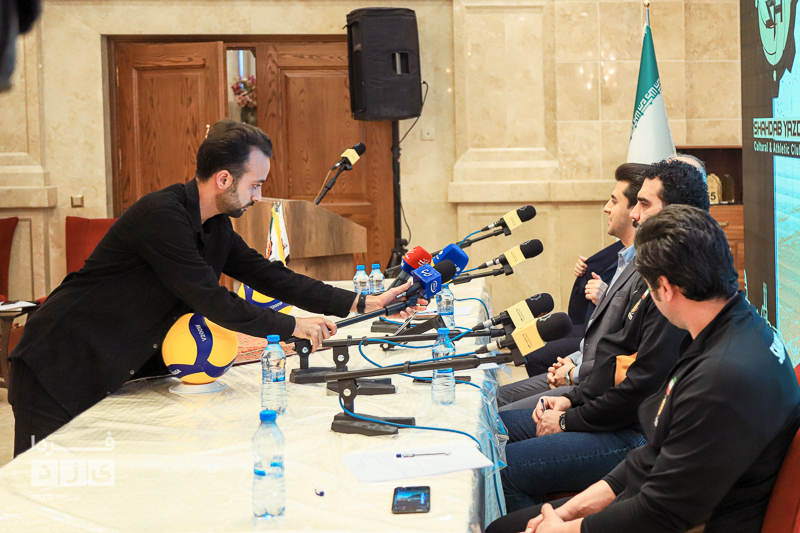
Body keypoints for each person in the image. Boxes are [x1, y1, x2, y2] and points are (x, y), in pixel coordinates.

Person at [8, 119, 424, 457]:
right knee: (43, 492)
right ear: (224, 178)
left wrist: (363, 301)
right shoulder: (162, 216)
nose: (258, 196)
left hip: (110, 363)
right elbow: (210, 298)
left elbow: (270, 276)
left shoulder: (216, 226)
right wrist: (292, 326)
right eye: (255, 185)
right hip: (59, 362)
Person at [487, 205, 800, 533]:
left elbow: (660, 513)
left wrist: (567, 529)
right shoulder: (740, 323)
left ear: (663, 288)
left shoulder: (719, 377)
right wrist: (571, 511)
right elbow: (653, 455)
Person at [496, 159, 709, 511]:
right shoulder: (653, 274)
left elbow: (639, 386)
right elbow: (613, 353)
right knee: (492, 430)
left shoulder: (674, 288)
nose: (634, 214)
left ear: (677, 214)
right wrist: (571, 400)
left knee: (504, 469)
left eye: (643, 204)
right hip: (613, 413)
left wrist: (567, 417)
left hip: (634, 433)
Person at [498, 163, 649, 407]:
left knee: (503, 416)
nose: (606, 208)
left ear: (635, 210)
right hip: (582, 366)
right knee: (495, 399)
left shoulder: (644, 268)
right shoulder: (623, 257)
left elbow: (624, 349)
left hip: (596, 387)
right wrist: (571, 362)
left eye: (613, 201)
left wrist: (573, 373)